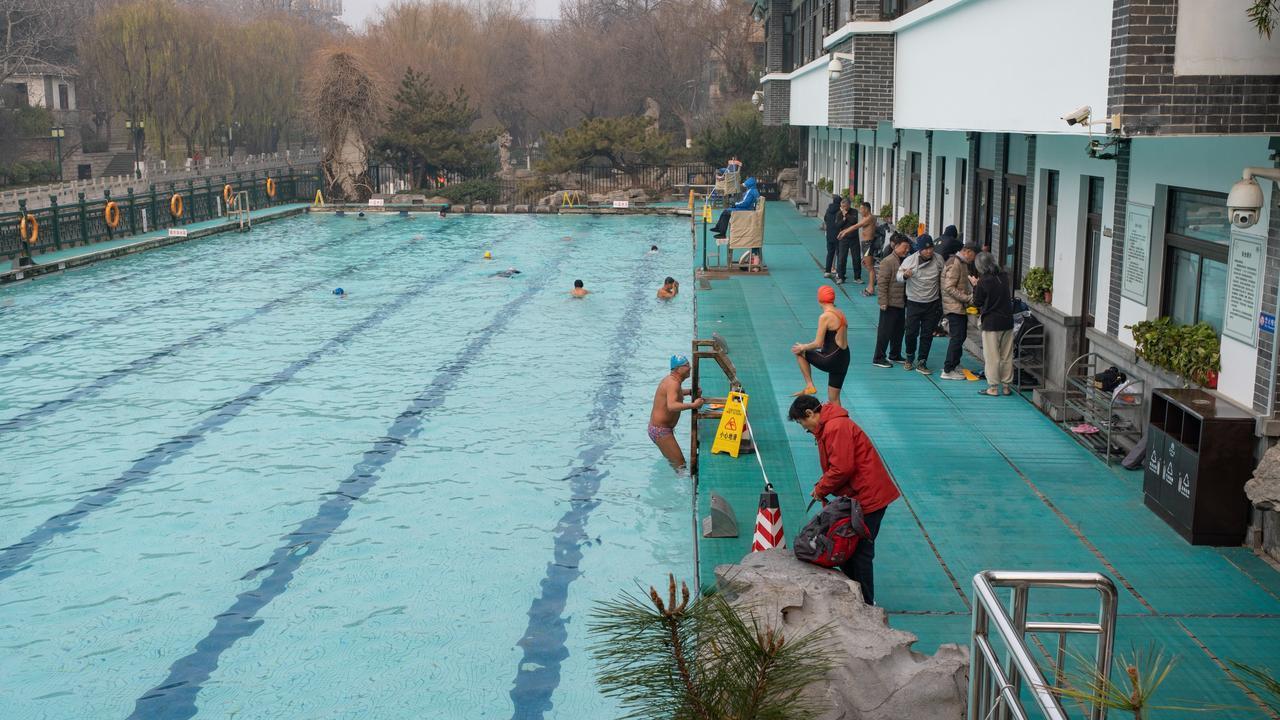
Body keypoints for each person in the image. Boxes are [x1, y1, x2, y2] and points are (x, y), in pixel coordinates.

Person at [787, 394, 900, 605]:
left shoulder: (835, 427)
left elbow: (842, 468)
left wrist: (821, 489)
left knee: (861, 552)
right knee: (850, 548)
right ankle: (855, 596)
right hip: (859, 496)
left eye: (805, 425)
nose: (808, 430)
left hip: (868, 497)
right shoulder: (830, 426)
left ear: (810, 413)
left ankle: (866, 603)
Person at [791, 285, 851, 406]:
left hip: (831, 359)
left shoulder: (825, 316)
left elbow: (818, 343)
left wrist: (802, 347)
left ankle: (809, 385)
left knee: (799, 352)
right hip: (844, 358)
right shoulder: (840, 313)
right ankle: (841, 422)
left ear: (820, 300)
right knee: (834, 398)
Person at [970, 252, 1016, 396]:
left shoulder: (984, 281)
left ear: (980, 266)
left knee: (992, 356)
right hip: (1007, 321)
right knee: (1007, 355)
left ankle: (993, 388)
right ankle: (1007, 386)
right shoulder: (1004, 276)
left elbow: (977, 302)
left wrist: (975, 285)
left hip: (992, 323)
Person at [897, 235, 945, 374]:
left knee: (927, 333)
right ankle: (910, 356)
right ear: (919, 249)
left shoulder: (938, 259)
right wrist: (905, 275)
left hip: (932, 302)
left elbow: (945, 274)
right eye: (925, 249)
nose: (929, 251)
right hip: (914, 302)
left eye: (931, 248)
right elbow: (898, 277)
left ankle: (922, 361)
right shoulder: (910, 260)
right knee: (911, 332)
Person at [649, 355, 705, 472]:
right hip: (661, 431)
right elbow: (672, 406)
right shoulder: (673, 383)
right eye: (686, 365)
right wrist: (693, 405)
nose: (690, 368)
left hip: (659, 429)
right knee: (681, 466)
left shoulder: (672, 381)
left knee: (675, 463)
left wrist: (690, 392)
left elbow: (675, 394)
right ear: (677, 369)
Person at [871, 234, 911, 368]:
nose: (906, 250)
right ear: (896, 246)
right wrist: (883, 301)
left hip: (901, 301)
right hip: (889, 302)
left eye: (908, 248)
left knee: (899, 330)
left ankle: (895, 354)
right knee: (885, 331)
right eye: (904, 247)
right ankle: (879, 357)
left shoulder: (905, 261)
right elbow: (882, 283)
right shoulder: (888, 261)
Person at [940, 242, 977, 380]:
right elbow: (949, 287)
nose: (973, 259)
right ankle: (948, 369)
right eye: (973, 255)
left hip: (958, 306)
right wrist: (967, 298)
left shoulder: (961, 263)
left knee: (960, 336)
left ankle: (954, 364)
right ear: (967, 251)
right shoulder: (955, 263)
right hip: (954, 306)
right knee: (957, 337)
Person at [822, 196, 853, 280]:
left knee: (830, 253)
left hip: (829, 235)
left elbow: (825, 219)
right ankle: (839, 273)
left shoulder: (828, 210)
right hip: (838, 235)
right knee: (840, 254)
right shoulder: (840, 211)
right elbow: (843, 222)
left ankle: (827, 271)